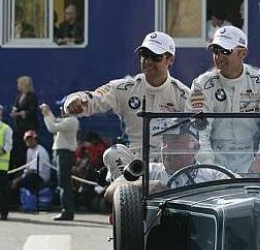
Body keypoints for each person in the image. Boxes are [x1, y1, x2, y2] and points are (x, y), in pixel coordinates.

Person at [64, 31, 190, 164]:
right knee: (112, 153)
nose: (148, 61)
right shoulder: (125, 88)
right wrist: (74, 100)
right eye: (144, 55)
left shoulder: (183, 94)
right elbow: (94, 98)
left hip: (167, 162)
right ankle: (128, 185)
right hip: (131, 162)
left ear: (170, 60)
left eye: (155, 57)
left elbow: (202, 131)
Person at [187, 25, 260, 173]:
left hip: (252, 157)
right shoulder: (202, 84)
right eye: (215, 51)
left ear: (243, 53)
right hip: (214, 158)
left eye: (225, 51)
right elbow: (197, 128)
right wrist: (207, 165)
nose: (219, 57)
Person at [104, 122, 230, 202]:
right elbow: (111, 192)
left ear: (195, 147)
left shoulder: (213, 175)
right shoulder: (150, 171)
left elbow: (244, 192)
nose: (167, 148)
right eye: (165, 142)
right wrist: (144, 185)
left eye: (175, 142)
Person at [42, 102, 79, 221]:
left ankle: (67, 211)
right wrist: (48, 113)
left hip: (65, 153)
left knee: (64, 183)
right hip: (61, 153)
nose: (62, 111)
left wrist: (46, 115)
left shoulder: (71, 121)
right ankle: (66, 210)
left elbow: (52, 127)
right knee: (62, 182)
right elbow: (55, 122)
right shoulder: (67, 121)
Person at [11, 76, 38, 169]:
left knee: (26, 150)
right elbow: (16, 107)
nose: (17, 85)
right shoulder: (19, 96)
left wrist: (19, 114)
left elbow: (32, 112)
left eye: (19, 83)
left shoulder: (32, 97)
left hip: (28, 128)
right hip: (18, 128)